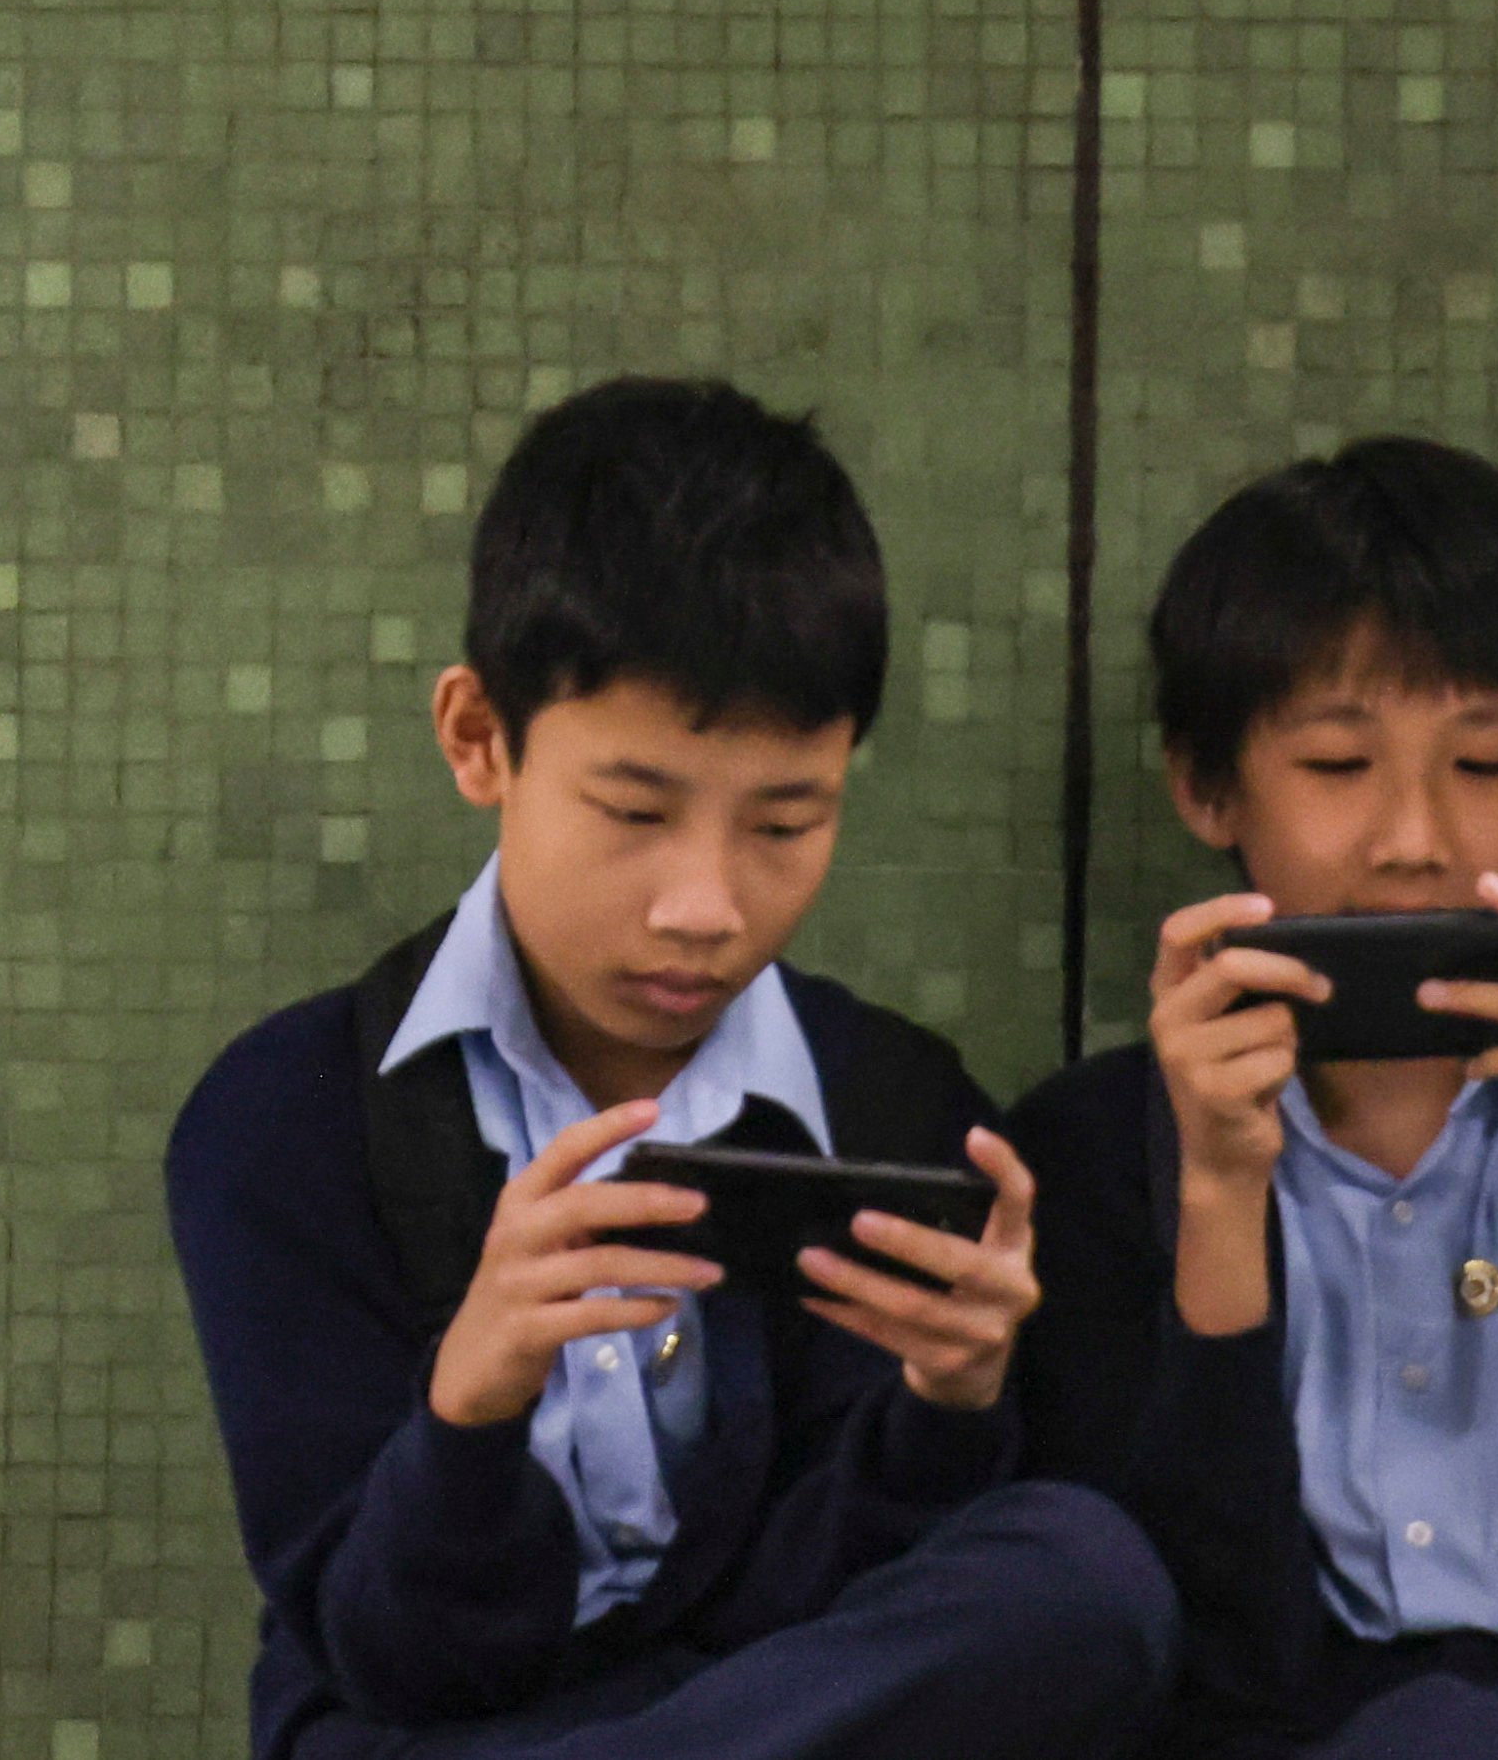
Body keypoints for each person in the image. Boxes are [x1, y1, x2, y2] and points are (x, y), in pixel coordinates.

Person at [164, 377, 1176, 1760]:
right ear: (479, 738)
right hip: (435, 1725)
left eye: (786, 819)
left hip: (776, 1705)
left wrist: (950, 1410)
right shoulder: (282, 1122)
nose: (705, 904)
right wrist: (470, 1403)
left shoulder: (893, 1102)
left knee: (1084, 1574)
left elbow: (840, 1611)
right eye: (634, 811)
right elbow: (391, 1653)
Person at [1012, 437, 1498, 1760]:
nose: (1414, 838)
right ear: (1208, 787)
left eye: (1485, 767)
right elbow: (1180, 1657)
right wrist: (1216, 1202)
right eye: (1336, 765)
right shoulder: (1088, 1158)